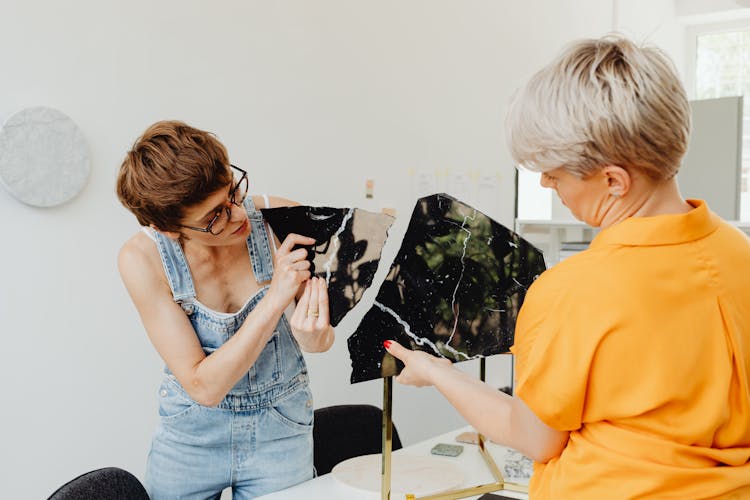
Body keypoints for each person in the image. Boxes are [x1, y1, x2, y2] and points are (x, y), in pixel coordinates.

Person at [385, 35, 750, 498]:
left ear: (613, 180)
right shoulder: (738, 254)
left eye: (555, 174)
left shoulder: (577, 289)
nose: (545, 181)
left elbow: (534, 437)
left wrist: (437, 371)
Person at [116, 120, 335, 499]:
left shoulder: (284, 219)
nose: (237, 215)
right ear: (171, 229)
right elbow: (204, 386)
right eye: (213, 217)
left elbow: (318, 342)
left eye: (233, 192)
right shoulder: (143, 259)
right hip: (191, 437)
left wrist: (314, 334)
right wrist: (276, 298)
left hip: (282, 426)